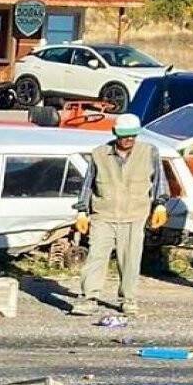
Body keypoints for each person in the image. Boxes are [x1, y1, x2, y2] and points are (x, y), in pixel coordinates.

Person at [69, 114, 169, 317]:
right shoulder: (99, 154)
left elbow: (159, 181)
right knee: (96, 257)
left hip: (134, 215)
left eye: (133, 135)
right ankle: (89, 298)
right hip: (103, 215)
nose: (129, 140)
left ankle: (128, 299)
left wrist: (160, 205)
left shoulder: (149, 152)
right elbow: (88, 184)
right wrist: (82, 211)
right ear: (115, 133)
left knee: (130, 259)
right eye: (125, 136)